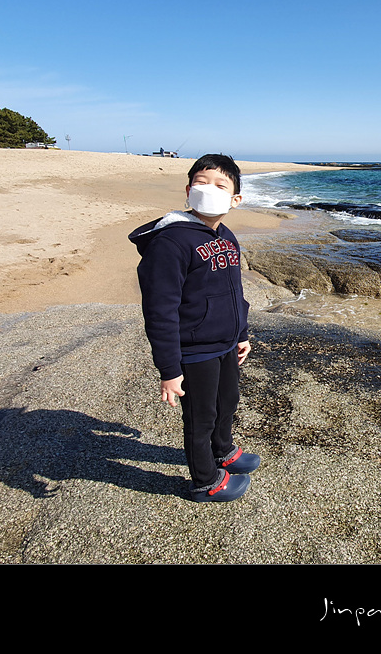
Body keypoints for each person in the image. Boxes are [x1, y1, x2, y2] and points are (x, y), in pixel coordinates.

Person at [129, 153, 260, 502]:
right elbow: (160, 310)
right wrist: (169, 370)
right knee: (200, 417)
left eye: (220, 185)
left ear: (235, 199)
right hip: (194, 349)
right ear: (188, 191)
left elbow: (234, 291)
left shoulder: (226, 236)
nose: (209, 190)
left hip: (225, 343)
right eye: (201, 183)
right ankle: (205, 481)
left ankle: (223, 451)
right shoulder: (170, 242)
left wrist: (241, 333)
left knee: (227, 402)